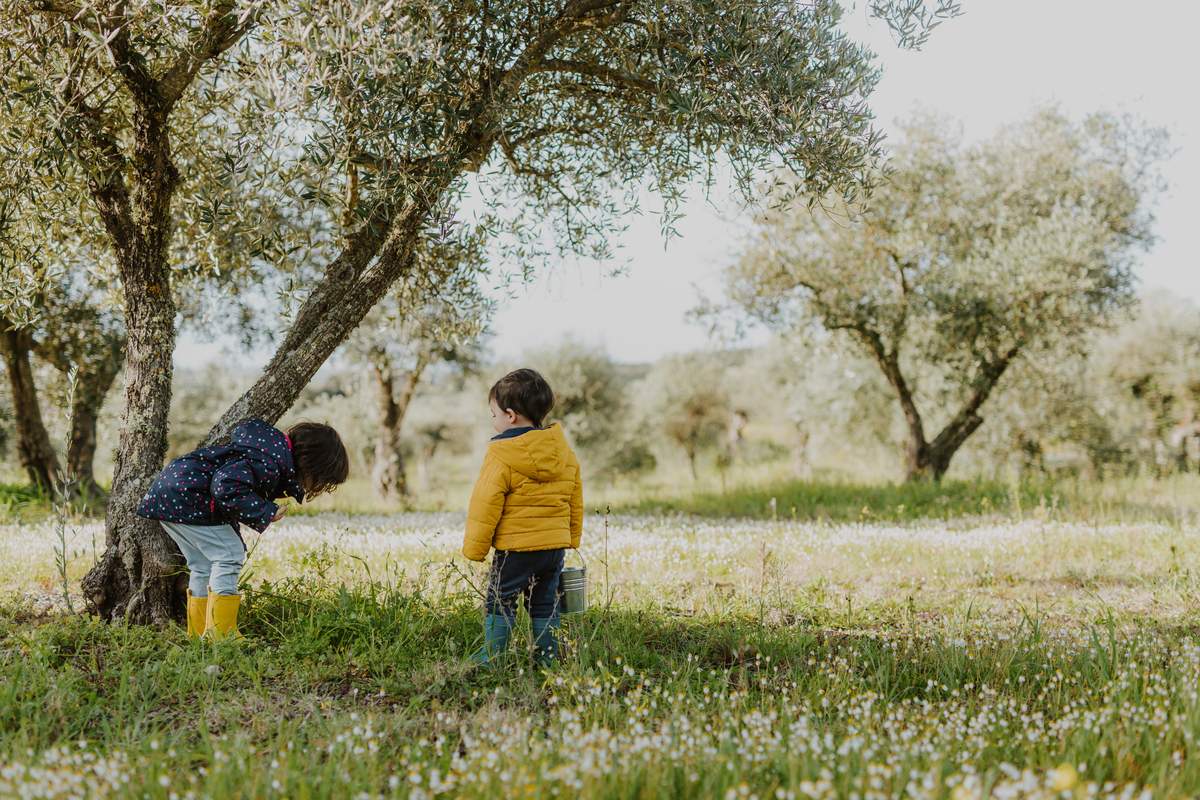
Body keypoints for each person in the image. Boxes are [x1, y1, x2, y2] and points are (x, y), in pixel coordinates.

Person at [138, 419, 350, 639]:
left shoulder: (265, 451)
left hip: (169, 493)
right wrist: (265, 510)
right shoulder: (270, 462)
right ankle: (221, 634)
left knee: (202, 565)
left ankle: (199, 633)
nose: (311, 487)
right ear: (306, 460)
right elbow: (225, 486)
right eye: (316, 480)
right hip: (189, 495)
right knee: (230, 554)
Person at [462, 368, 583, 667]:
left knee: (500, 599)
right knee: (545, 600)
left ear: (510, 415)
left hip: (516, 548)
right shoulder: (564, 452)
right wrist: (572, 538)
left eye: (494, 414)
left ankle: (492, 658)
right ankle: (547, 659)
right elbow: (575, 499)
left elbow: (485, 503)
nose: (494, 421)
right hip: (553, 548)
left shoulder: (502, 453)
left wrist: (475, 549)